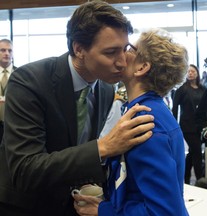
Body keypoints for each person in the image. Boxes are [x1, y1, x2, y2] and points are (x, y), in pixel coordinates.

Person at [0, 1, 155, 216]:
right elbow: (25, 169)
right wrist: (103, 148)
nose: (122, 62)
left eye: (125, 49)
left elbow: (77, 149)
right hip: (26, 206)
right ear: (79, 49)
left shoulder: (105, 88)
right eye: (111, 52)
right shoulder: (29, 81)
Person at [73, 28, 189, 216]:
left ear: (142, 67)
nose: (120, 55)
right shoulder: (145, 110)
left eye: (128, 49)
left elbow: (163, 212)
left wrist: (104, 211)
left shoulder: (146, 122)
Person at [172, 64, 206, 183]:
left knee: (192, 152)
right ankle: (200, 180)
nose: (190, 73)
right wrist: (174, 126)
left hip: (200, 126)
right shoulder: (182, 89)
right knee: (197, 151)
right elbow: (175, 108)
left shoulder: (203, 89)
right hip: (187, 126)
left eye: (193, 71)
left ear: (197, 73)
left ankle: (185, 178)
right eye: (188, 71)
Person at [0, 39, 17, 141]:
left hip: (13, 124)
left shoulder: (21, 74)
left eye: (10, 51)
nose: (6, 53)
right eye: (2, 50)